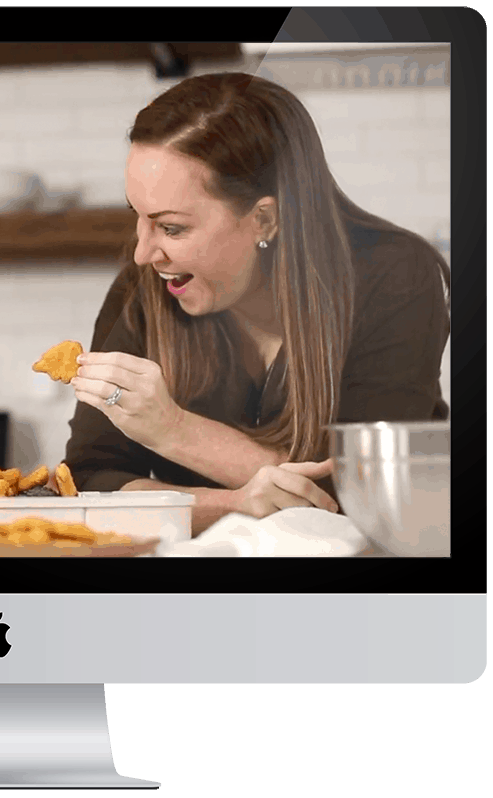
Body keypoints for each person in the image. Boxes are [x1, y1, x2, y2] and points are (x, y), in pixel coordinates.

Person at [63, 72, 450, 535]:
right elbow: (89, 480)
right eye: (138, 218)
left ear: (265, 219)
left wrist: (174, 430)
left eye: (171, 228)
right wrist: (233, 504)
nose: (144, 253)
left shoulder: (394, 276)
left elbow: (360, 496)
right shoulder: (144, 289)